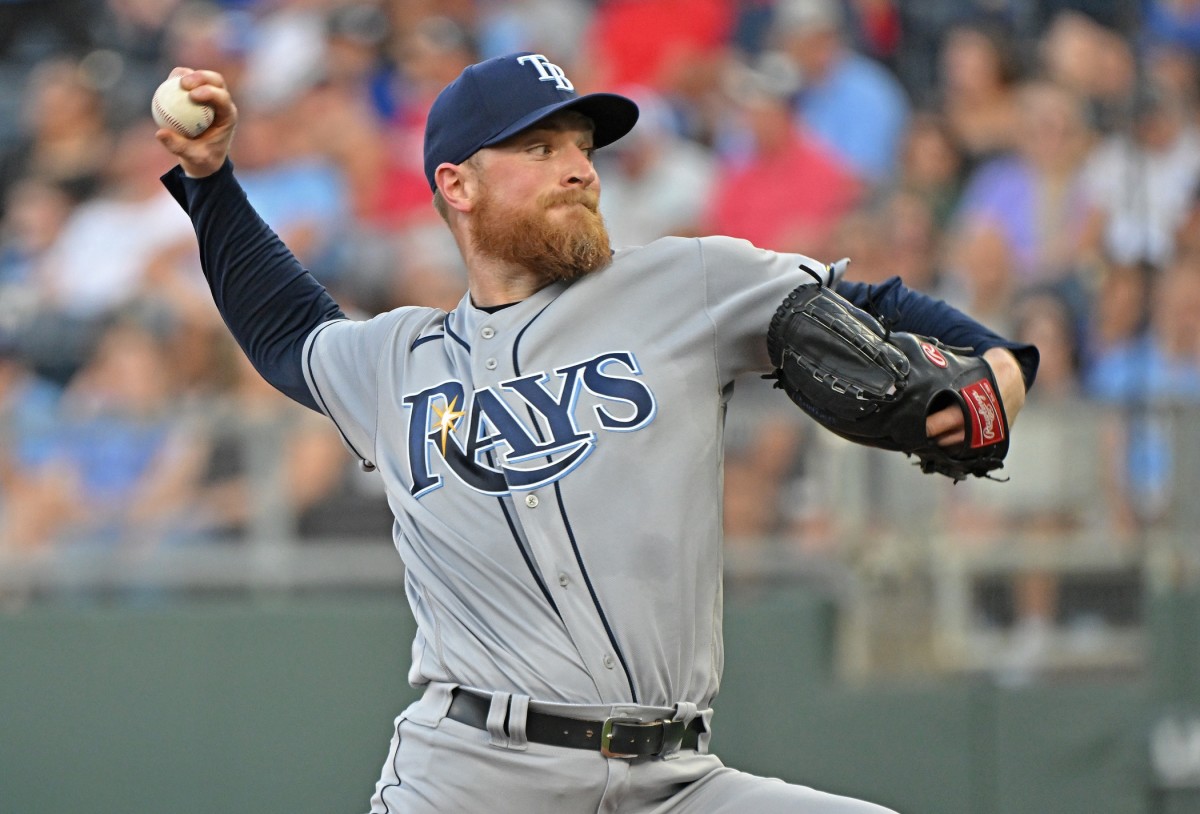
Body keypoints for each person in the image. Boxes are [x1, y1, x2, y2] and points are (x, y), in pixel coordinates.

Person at [155, 52, 1038, 814]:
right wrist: (210, 181)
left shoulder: (688, 282)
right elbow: (284, 331)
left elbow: (875, 307)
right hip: (470, 777)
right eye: (539, 148)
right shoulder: (397, 361)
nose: (578, 168)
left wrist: (1003, 365)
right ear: (456, 186)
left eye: (583, 146)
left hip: (675, 779)